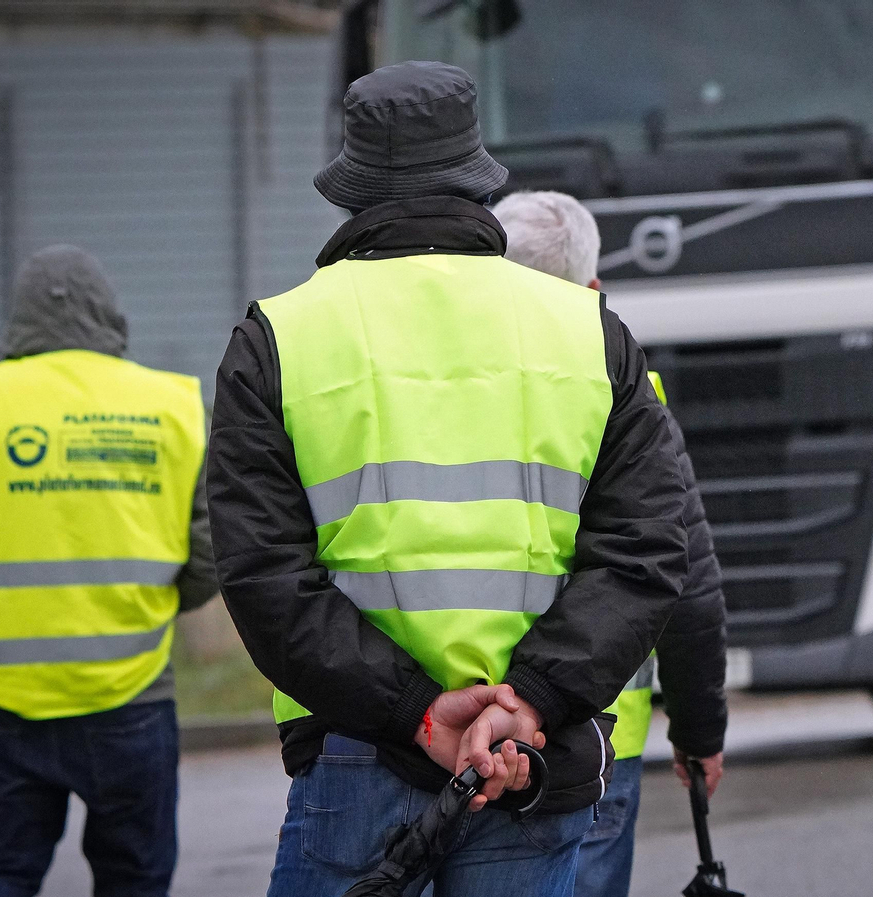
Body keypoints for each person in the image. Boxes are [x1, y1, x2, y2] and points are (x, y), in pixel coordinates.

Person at [206, 61, 690, 897]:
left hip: (359, 752)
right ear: (477, 177)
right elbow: (646, 550)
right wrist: (529, 700)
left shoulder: (277, 339)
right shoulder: (588, 331)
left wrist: (419, 714)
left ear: (353, 190)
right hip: (528, 756)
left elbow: (264, 577)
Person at [0, 244, 217, 897]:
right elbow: (221, 527)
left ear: (19, 320)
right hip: (130, 692)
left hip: (3, 701)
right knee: (135, 880)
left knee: (3, 874)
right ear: (110, 314)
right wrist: (170, 597)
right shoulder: (173, 403)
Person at [492, 190, 730, 897]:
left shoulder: (427, 391)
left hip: (448, 730)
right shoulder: (629, 396)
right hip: (592, 740)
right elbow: (685, 588)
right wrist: (698, 732)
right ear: (593, 291)